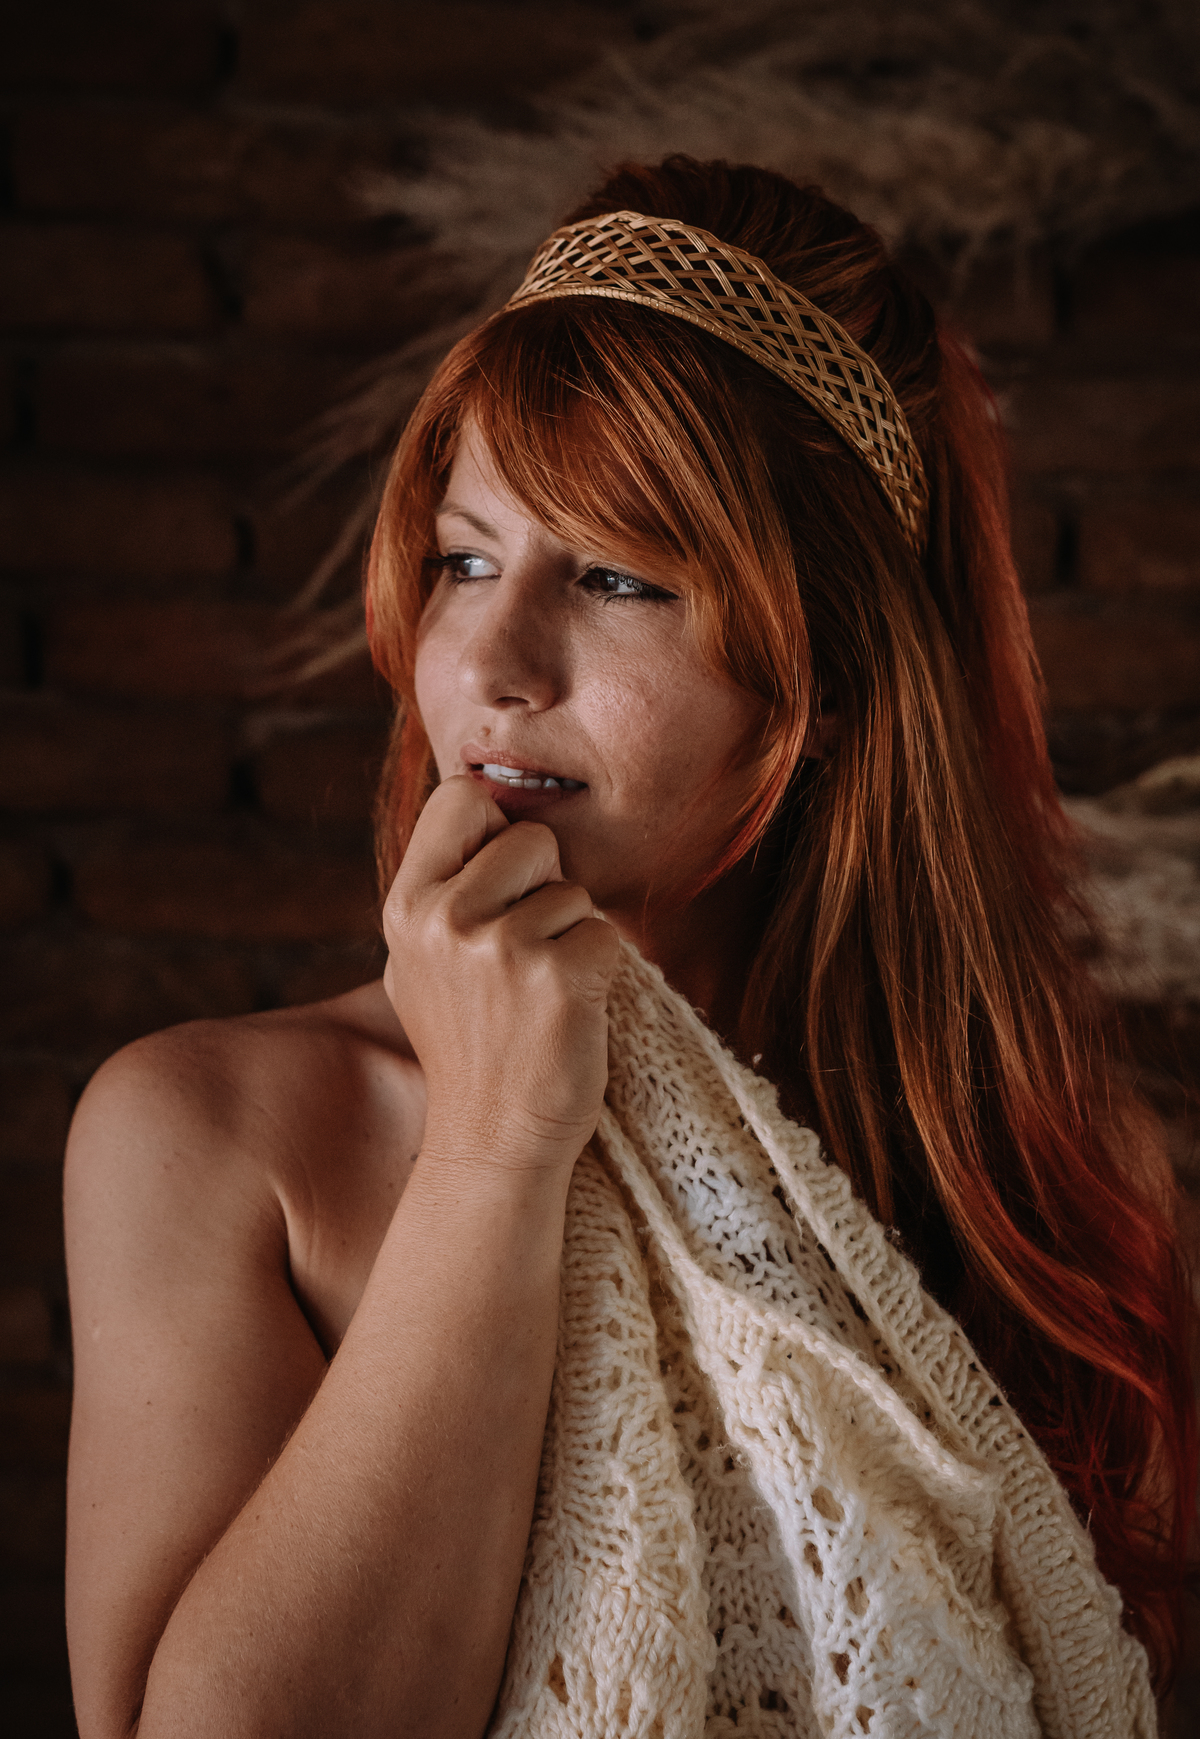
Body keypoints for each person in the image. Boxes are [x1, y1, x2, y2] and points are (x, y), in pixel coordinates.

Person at [64, 157, 1194, 1739]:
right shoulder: (214, 1133)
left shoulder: (1035, 1183)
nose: (493, 662)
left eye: (613, 578)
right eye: (465, 558)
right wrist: (493, 1145)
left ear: (829, 676)